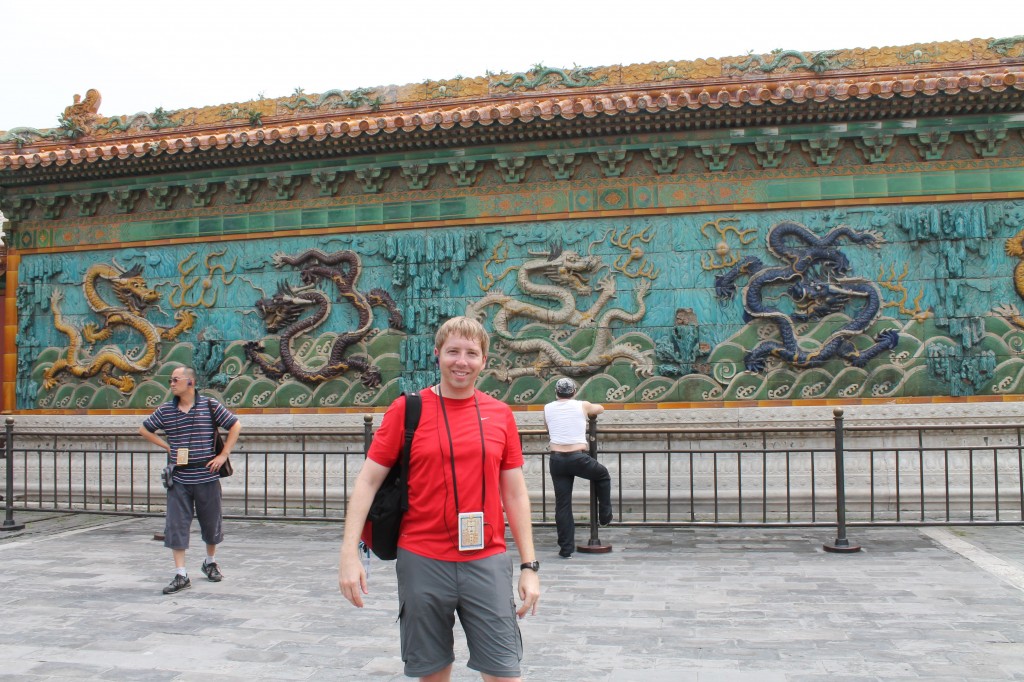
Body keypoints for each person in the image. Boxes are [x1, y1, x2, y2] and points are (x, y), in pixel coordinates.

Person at [338, 316, 540, 682]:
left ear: (484, 360)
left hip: (487, 558)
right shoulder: (407, 410)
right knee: (432, 672)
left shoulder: (500, 415)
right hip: (422, 558)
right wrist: (349, 555)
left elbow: (514, 492)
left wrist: (529, 566)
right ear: (437, 355)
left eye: (471, 353)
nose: (461, 361)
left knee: (505, 672)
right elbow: (367, 482)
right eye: (453, 352)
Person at [139, 366, 241, 595]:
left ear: (190, 383)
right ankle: (181, 573)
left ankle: (210, 561)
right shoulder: (166, 410)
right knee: (176, 524)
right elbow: (144, 429)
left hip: (206, 474)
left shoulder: (209, 406)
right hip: (179, 477)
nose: (171, 384)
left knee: (211, 522)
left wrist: (223, 454)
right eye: (170, 380)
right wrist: (167, 446)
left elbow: (235, 425)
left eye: (175, 380)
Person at [543, 378, 612, 559]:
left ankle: (566, 548)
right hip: (578, 458)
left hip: (556, 460)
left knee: (563, 505)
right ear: (574, 392)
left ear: (556, 393)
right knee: (602, 475)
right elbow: (600, 409)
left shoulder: (547, 408)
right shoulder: (582, 405)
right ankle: (604, 514)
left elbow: (548, 429)